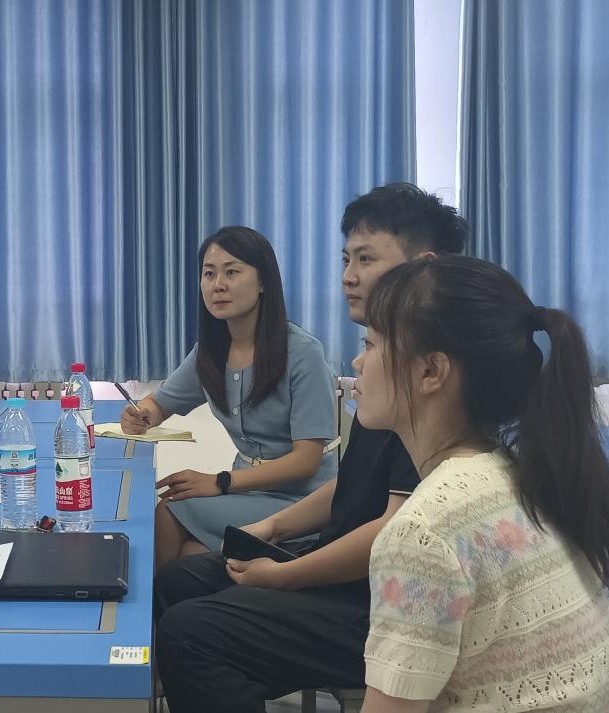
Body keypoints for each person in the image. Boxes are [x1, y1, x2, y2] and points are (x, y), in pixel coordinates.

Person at [153, 183, 468, 712]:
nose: (348, 276)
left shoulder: (429, 376)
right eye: (346, 259)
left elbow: (393, 530)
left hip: (381, 600)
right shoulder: (389, 361)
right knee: (176, 580)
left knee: (191, 632)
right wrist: (272, 530)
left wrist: (285, 576)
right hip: (340, 561)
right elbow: (353, 486)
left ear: (424, 267)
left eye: (365, 259)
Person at [355, 255, 609, 712]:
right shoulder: (522, 477)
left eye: (370, 344)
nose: (357, 361)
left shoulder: (423, 534)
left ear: (431, 372)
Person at [121, 226, 337, 567]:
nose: (218, 284)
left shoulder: (302, 352)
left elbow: (306, 461)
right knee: (190, 553)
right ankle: (163, 601)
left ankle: (152, 604)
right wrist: (142, 414)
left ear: (263, 282)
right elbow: (158, 404)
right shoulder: (211, 351)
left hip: (303, 502)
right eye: (209, 274)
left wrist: (220, 482)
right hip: (247, 491)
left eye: (232, 272)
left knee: (170, 511)